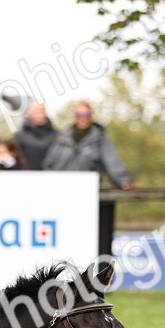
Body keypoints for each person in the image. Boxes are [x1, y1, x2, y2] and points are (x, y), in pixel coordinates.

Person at [43, 99, 134, 260]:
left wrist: (122, 180)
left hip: (88, 195)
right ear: (74, 116)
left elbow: (111, 160)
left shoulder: (98, 138)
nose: (82, 118)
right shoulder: (62, 137)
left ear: (91, 116)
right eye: (79, 115)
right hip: (62, 194)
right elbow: (49, 163)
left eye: (86, 115)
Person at [15, 102, 57, 172]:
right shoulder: (18, 137)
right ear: (29, 113)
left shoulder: (57, 136)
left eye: (42, 111)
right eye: (36, 111)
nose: (40, 114)